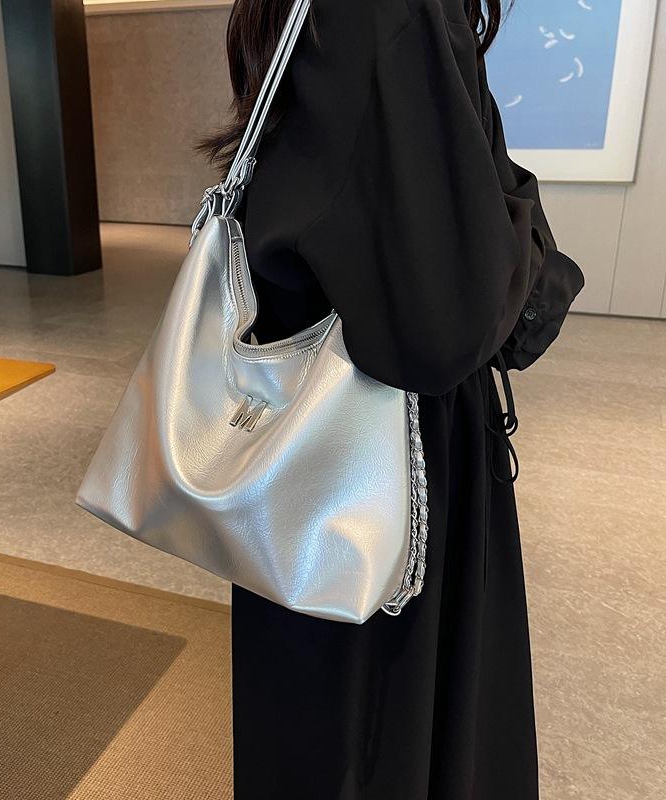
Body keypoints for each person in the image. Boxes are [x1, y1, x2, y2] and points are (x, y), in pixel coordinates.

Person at [200, 1, 584, 797]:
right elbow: (450, 315)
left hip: (309, 452)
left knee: (315, 725)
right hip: (387, 466)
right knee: (383, 739)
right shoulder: (390, 10)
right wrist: (530, 246)